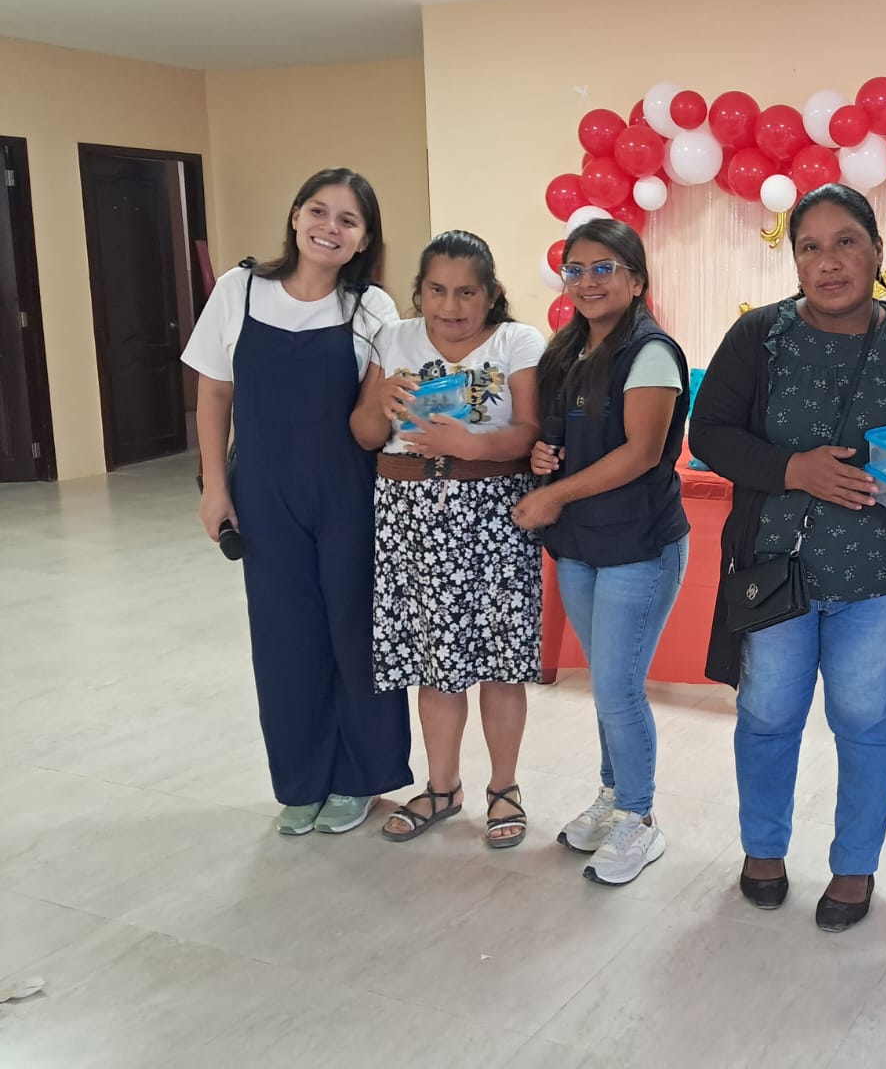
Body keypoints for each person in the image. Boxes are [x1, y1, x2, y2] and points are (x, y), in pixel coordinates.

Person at [690, 183, 886, 933]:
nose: (828, 261)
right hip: (779, 571)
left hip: (877, 574)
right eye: (810, 246)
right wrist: (791, 469)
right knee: (768, 714)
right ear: (795, 259)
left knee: (865, 721)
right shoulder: (759, 336)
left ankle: (855, 865)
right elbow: (709, 432)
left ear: (877, 251)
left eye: (845, 243)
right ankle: (764, 850)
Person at [183, 167, 412, 836]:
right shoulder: (239, 290)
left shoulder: (371, 308)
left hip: (349, 494)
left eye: (348, 220)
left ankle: (360, 779)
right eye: (318, 211)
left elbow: (381, 410)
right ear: (295, 216)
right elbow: (213, 393)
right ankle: (302, 780)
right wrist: (214, 487)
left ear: (364, 238)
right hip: (264, 494)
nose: (329, 228)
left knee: (355, 635)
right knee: (284, 641)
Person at [348, 230, 545, 849]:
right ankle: (442, 787)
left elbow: (529, 430)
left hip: (493, 517)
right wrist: (379, 402)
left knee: (501, 661)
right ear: (420, 292)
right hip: (411, 514)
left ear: (490, 294)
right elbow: (364, 434)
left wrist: (472, 445)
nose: (451, 305)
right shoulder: (393, 337)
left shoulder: (517, 341)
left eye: (467, 292)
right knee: (437, 663)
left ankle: (504, 788)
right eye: (437, 290)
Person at [511, 218, 689, 887]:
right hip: (581, 544)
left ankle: (640, 819)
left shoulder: (651, 352)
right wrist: (542, 456)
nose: (587, 281)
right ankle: (614, 796)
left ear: (636, 280)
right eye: (576, 269)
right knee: (606, 685)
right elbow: (564, 435)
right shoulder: (568, 348)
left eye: (604, 268)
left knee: (618, 687)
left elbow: (641, 453)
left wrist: (554, 496)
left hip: (637, 546)